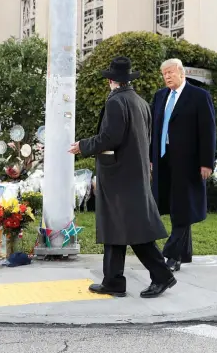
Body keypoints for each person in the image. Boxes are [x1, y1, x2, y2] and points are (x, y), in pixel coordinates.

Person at [69, 56, 176, 299]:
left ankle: (162, 276)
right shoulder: (139, 102)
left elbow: (110, 138)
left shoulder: (116, 102)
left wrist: (83, 146)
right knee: (117, 227)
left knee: (132, 229)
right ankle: (113, 280)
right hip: (133, 172)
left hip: (119, 175)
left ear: (110, 80)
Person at [150, 58, 216, 272]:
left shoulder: (199, 96)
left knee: (183, 206)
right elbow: (155, 130)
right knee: (176, 206)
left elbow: (208, 131)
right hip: (163, 158)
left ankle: (170, 254)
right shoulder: (160, 96)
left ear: (181, 72)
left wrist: (206, 162)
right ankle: (181, 254)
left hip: (188, 162)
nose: (167, 76)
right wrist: (151, 158)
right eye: (164, 74)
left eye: (170, 72)